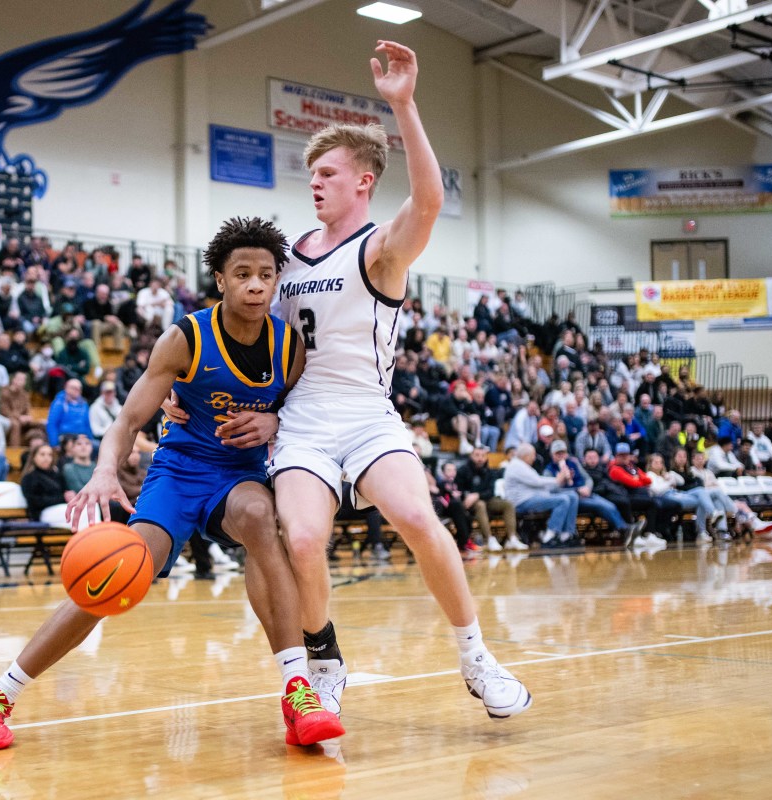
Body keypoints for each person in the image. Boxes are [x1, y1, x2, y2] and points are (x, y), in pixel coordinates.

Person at [230, 42, 530, 722]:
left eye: (329, 172)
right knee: (303, 540)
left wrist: (403, 104)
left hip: (366, 412)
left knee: (421, 519)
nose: (316, 181)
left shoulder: (380, 249)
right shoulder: (281, 259)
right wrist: (269, 413)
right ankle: (325, 659)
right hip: (302, 417)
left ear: (363, 182)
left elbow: (428, 199)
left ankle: (477, 658)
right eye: (311, 172)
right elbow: (266, 353)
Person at [0, 217, 342, 753]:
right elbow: (127, 421)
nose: (256, 285)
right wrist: (103, 470)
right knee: (117, 572)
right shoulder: (184, 337)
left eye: (265, 274)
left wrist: (276, 423)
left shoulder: (290, 347)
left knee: (263, 520)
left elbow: (307, 416)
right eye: (242, 274)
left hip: (239, 476)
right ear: (220, 280)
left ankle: (297, 691)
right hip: (180, 470)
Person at [544, 440, 638, 542]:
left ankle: (624, 528)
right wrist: (575, 489)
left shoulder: (573, 463)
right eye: (558, 453)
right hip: (572, 500)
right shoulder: (549, 470)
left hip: (587, 494)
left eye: (563, 452)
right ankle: (624, 529)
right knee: (602, 506)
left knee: (610, 505)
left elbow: (588, 478)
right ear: (552, 454)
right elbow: (552, 491)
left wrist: (588, 488)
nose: (561, 456)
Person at [502, 442, 578, 546]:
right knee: (563, 500)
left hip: (533, 497)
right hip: (521, 502)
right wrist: (557, 480)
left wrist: (560, 481)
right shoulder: (516, 466)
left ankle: (567, 534)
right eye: (533, 455)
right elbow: (537, 481)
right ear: (526, 456)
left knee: (572, 496)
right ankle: (551, 534)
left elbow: (540, 485)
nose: (534, 458)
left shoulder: (524, 466)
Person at [454, 445, 524, 552]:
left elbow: (491, 492)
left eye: (483, 455)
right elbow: (458, 490)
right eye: (477, 455)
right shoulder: (462, 471)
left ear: (486, 457)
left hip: (486, 500)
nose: (480, 458)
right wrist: (466, 496)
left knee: (507, 504)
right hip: (468, 504)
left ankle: (512, 539)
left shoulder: (489, 472)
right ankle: (489, 539)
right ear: (471, 456)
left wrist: (477, 495)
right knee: (480, 504)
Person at [0, 371, 45, 447]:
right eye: (19, 379)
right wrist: (19, 417)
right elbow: (4, 411)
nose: (22, 382)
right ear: (13, 380)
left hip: (23, 420)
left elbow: (27, 409)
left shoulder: (24, 394)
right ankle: (15, 451)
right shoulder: (4, 392)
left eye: (24, 380)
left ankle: (40, 449)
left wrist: (27, 417)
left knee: (42, 424)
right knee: (15, 424)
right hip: (8, 418)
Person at [45, 378, 92, 446]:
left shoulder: (84, 404)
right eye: (74, 388)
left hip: (82, 437)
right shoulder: (59, 403)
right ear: (66, 388)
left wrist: (90, 439)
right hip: (65, 437)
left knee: (97, 447)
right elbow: (52, 424)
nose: (77, 390)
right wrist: (54, 444)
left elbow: (87, 424)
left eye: (79, 388)